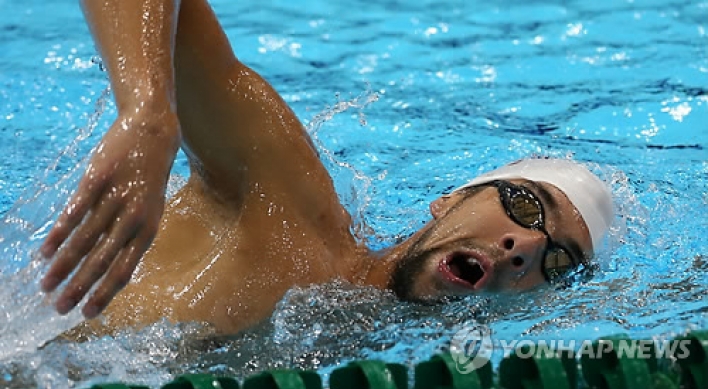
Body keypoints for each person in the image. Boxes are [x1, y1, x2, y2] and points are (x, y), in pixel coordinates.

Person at [38, 0, 613, 335]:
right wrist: (148, 113)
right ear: (450, 199)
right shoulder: (282, 204)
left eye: (558, 261)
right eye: (525, 205)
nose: (524, 248)